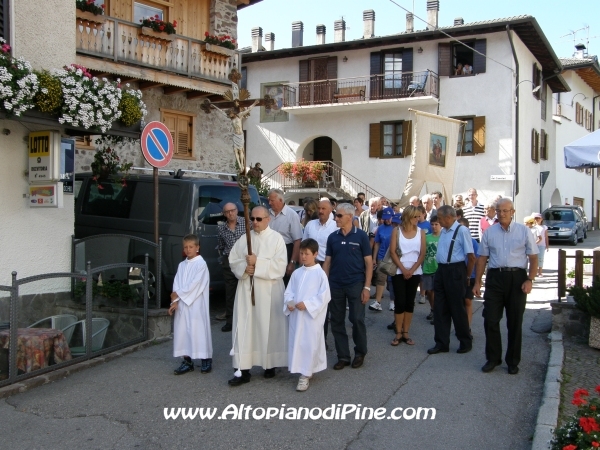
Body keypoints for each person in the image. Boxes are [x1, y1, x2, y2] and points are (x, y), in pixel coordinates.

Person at [473, 198, 538, 375]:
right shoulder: (490, 232)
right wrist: (477, 282)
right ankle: (493, 358)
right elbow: (482, 259)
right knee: (490, 319)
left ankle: (513, 361)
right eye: (499, 210)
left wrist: (529, 279)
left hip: (517, 278)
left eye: (505, 211)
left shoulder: (524, 231)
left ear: (512, 212)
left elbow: (533, 258)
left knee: (515, 321)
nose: (501, 214)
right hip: (495, 278)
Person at [228, 206, 289, 386]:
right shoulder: (244, 240)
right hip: (247, 289)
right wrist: (244, 268)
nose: (254, 222)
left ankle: (269, 364)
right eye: (252, 219)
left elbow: (280, 266)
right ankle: (243, 369)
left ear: (267, 219)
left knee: (267, 327)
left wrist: (258, 263)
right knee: (245, 327)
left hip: (268, 290)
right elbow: (233, 260)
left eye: (258, 219)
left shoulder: (276, 239)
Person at [323, 203, 372, 370]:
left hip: (355, 284)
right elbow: (327, 262)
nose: (335, 218)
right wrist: (324, 284)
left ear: (350, 217)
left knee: (357, 319)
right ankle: (343, 355)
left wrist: (366, 287)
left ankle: (360, 353)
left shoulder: (361, 236)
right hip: (335, 285)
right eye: (336, 215)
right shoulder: (333, 237)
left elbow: (369, 263)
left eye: (339, 216)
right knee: (336, 321)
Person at [284, 238, 331, 392]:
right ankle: (298, 367)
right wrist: (289, 302)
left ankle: (306, 374)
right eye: (302, 253)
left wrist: (308, 304)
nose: (303, 257)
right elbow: (289, 290)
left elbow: (324, 296)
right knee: (297, 341)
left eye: (307, 254)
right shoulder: (297, 273)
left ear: (316, 254)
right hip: (297, 316)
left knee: (309, 343)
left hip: (311, 318)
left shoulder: (320, 274)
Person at [428, 205, 475, 355]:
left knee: (457, 308)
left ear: (448, 217)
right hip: (441, 270)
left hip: (456, 270)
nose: (439, 221)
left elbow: (471, 257)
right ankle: (441, 343)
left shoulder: (461, 230)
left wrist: (467, 276)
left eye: (440, 219)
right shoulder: (444, 231)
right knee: (440, 307)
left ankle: (465, 341)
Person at [168, 234, 213, 375]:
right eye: (185, 247)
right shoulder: (182, 265)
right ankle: (187, 361)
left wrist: (178, 294)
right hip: (182, 305)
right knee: (183, 332)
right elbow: (177, 283)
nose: (188, 250)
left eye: (191, 247)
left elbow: (196, 284)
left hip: (196, 304)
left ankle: (205, 358)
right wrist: (175, 301)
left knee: (198, 330)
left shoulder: (201, 264)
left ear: (197, 247)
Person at [389, 205, 426, 346]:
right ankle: (398, 332)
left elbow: (422, 253)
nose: (418, 219)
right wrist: (404, 269)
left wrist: (412, 270)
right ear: (408, 217)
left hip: (415, 271)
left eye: (419, 216)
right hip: (399, 270)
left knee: (410, 302)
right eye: (415, 216)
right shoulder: (396, 231)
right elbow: (392, 252)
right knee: (400, 301)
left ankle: (406, 332)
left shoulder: (421, 232)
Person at [216, 202, 247, 332]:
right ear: (224, 214)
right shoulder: (221, 228)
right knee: (230, 292)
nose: (230, 213)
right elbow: (220, 245)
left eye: (232, 210)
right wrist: (222, 259)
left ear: (236, 210)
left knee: (245, 290)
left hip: (244, 261)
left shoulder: (247, 223)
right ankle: (230, 321)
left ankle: (246, 320)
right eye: (227, 212)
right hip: (229, 262)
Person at [268, 188, 303, 287]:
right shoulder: (267, 214)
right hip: (269, 252)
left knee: (284, 285)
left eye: (272, 200)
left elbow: (297, 240)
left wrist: (292, 262)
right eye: (269, 200)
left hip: (285, 251)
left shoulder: (292, 215)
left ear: (280, 200)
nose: (269, 203)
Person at [369, 207, 395, 312]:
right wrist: (374, 258)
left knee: (392, 281)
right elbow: (377, 243)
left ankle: (393, 302)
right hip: (381, 257)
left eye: (389, 218)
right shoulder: (380, 228)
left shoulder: (396, 228)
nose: (387, 220)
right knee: (380, 279)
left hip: (393, 258)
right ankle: (377, 302)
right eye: (385, 218)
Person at [459, 217, 479, 333]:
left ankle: (467, 328)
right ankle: (461, 325)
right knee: (459, 302)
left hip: (470, 275)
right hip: (457, 275)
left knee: (467, 300)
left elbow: (475, 259)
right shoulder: (455, 242)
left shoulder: (473, 242)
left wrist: (476, 279)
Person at [422, 215, 441, 324]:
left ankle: (438, 312)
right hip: (428, 267)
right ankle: (433, 309)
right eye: (432, 224)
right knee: (429, 291)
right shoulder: (427, 237)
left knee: (438, 291)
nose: (434, 227)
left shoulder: (443, 237)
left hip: (439, 268)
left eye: (436, 224)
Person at [533, 213, 549, 277]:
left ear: (541, 219)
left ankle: (540, 272)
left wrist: (547, 246)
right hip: (534, 245)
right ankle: (535, 271)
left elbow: (546, 237)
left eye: (538, 218)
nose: (537, 219)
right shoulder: (533, 227)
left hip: (542, 245)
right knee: (534, 259)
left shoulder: (544, 227)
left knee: (541, 258)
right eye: (536, 218)